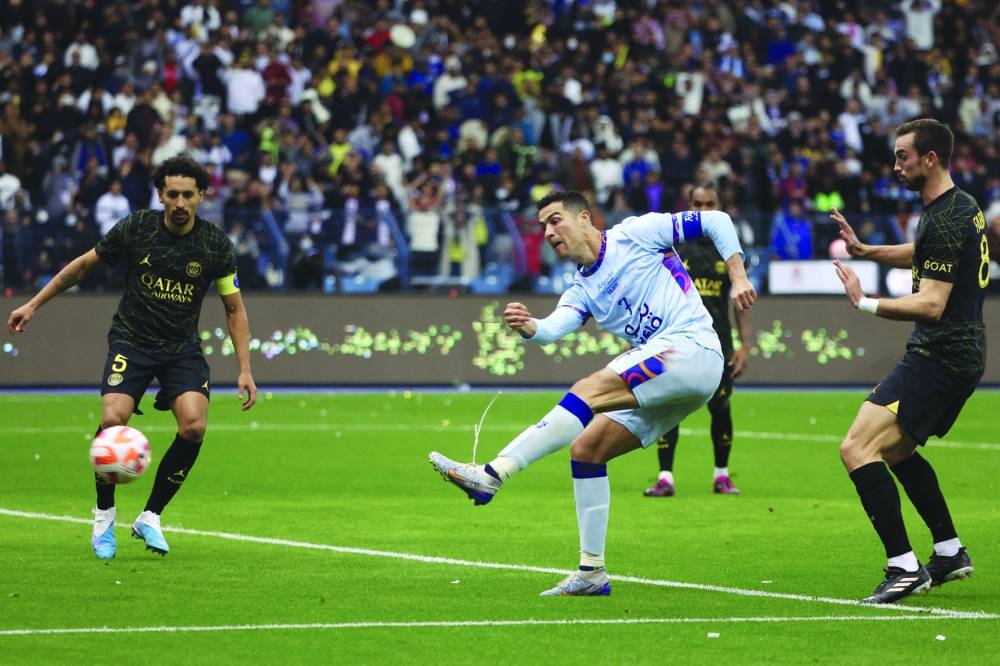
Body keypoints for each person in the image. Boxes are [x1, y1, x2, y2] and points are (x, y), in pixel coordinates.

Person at [429, 190, 756, 595]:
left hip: (693, 347)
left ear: (583, 217)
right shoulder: (581, 290)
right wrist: (531, 327)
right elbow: (551, 329)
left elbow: (717, 221)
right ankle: (591, 572)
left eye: (554, 220)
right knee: (587, 449)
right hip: (675, 377)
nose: (548, 232)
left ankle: (491, 475)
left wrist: (739, 277)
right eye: (543, 226)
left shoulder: (635, 234)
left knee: (588, 389)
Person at [7, 155, 258, 559]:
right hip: (132, 341)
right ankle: (104, 515)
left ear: (201, 196)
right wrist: (33, 305)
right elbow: (82, 267)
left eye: (187, 195)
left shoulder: (214, 245)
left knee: (194, 426)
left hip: (181, 348)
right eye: (172, 194)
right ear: (161, 194)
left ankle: (151, 516)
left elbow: (234, 309)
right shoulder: (137, 227)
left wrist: (244, 369)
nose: (179, 203)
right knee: (112, 419)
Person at [831, 119, 984, 604]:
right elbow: (927, 255)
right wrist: (867, 250)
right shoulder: (960, 207)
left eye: (903, 156)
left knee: (856, 448)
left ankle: (903, 566)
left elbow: (932, 303)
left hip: (940, 355)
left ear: (930, 158)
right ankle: (949, 550)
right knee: (895, 451)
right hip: (958, 353)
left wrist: (865, 303)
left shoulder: (942, 216)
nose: (896, 166)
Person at [643, 183, 752, 497]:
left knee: (720, 407)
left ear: (719, 206)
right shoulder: (673, 248)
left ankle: (722, 475)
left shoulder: (728, 249)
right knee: (669, 406)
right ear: (688, 206)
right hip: (674, 343)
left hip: (719, 348)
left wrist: (745, 345)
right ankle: (665, 477)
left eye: (710, 204)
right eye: (698, 204)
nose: (703, 211)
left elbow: (739, 301)